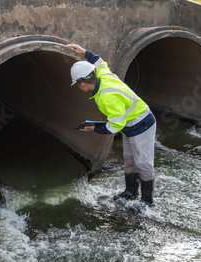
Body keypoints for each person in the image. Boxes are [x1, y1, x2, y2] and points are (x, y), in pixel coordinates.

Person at [67, 44, 157, 206]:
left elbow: (115, 126)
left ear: (82, 83)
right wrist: (84, 52)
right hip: (130, 124)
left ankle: (147, 201)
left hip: (142, 124)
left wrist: (94, 128)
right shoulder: (102, 75)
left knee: (143, 162)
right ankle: (130, 192)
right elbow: (99, 62)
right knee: (129, 160)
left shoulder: (106, 96)